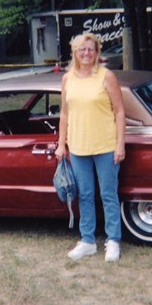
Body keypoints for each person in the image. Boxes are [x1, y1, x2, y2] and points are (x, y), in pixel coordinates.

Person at [55, 33, 126, 262]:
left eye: (91, 49)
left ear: (97, 52)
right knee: (84, 195)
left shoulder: (106, 76)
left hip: (105, 145)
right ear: (74, 52)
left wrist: (120, 145)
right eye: (82, 49)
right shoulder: (67, 79)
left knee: (108, 195)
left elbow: (119, 111)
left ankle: (113, 240)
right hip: (78, 147)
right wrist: (61, 143)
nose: (86, 53)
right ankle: (87, 241)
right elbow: (64, 113)